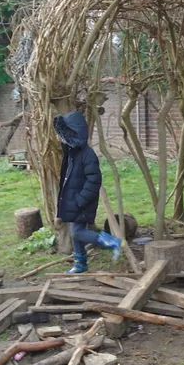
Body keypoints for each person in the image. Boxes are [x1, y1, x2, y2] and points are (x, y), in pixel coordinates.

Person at [53, 111, 121, 274]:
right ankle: (80, 264)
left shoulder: (87, 154)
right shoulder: (71, 153)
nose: (65, 137)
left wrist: (79, 201)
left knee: (77, 232)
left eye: (70, 133)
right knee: (74, 232)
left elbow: (94, 180)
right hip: (73, 201)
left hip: (82, 201)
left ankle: (111, 241)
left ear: (77, 133)